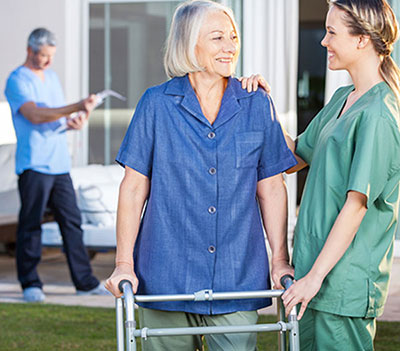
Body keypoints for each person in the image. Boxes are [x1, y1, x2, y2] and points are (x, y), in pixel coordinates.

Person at [105, 1, 297, 350]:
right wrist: (123, 264)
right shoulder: (156, 104)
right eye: (218, 37)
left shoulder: (256, 103)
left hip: (238, 277)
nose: (230, 46)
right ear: (189, 43)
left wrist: (279, 259)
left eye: (234, 37)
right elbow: (133, 189)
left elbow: (272, 187)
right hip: (165, 275)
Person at [241, 0, 400, 349]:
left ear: (361, 40)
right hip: (309, 278)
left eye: (332, 32)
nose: (324, 41)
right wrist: (261, 105)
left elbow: (356, 206)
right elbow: (293, 156)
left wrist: (315, 279)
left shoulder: (379, 114)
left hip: (340, 287)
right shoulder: (344, 98)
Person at [4, 28, 108, 303]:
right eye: (43, 56)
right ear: (29, 51)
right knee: (31, 225)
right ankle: (30, 284)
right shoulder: (17, 80)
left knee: (72, 223)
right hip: (34, 163)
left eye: (52, 56)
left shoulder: (51, 76)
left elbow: (55, 117)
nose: (48, 62)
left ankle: (85, 282)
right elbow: (35, 114)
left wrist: (74, 122)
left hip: (59, 163)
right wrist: (75, 105)